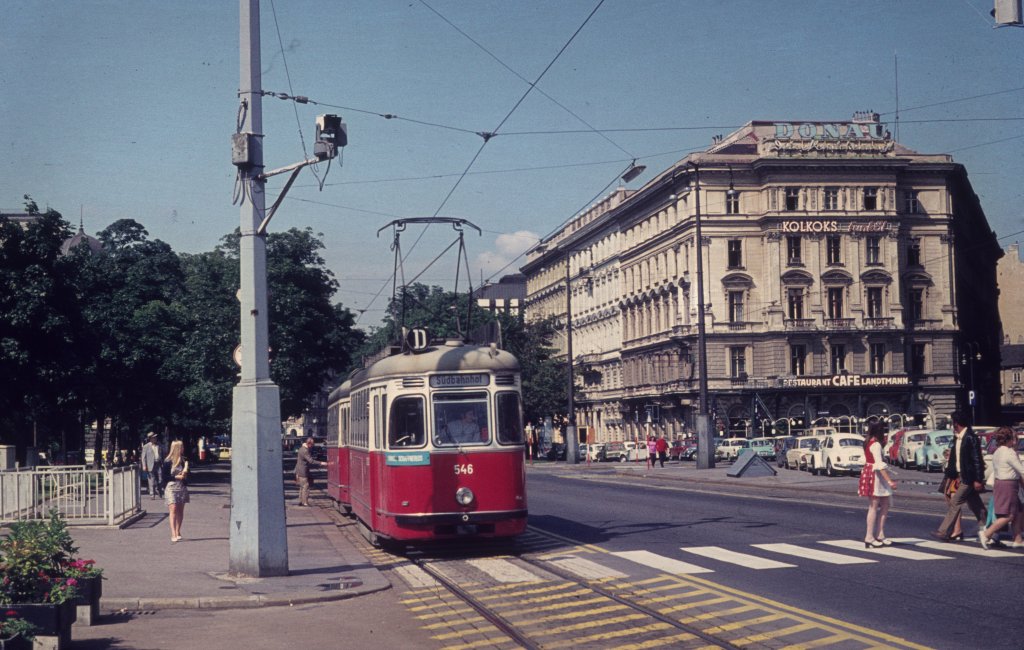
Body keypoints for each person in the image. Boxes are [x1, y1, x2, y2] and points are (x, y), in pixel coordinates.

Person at [932, 411, 988, 542]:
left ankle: (943, 531)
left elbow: (977, 460)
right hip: (960, 476)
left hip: (968, 477)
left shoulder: (970, 438)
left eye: (953, 422)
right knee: (976, 506)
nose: (952, 425)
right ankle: (991, 528)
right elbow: (955, 459)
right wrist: (952, 475)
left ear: (956, 423)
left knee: (955, 502)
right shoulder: (958, 438)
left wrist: (978, 479)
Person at [979, 427, 1024, 549]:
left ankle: (1018, 539)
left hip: (1000, 484)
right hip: (1008, 485)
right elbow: (1021, 471)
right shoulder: (1009, 453)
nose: (1015, 440)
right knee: (1008, 515)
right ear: (1009, 439)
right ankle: (986, 534)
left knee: (1018, 511)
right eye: (1013, 437)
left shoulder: (997, 451)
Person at [858, 421, 897, 547]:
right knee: (874, 506)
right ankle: (869, 536)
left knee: (884, 504)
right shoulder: (876, 444)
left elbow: (865, 460)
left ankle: (880, 534)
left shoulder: (868, 442)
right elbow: (879, 465)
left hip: (871, 473)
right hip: (875, 476)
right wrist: (890, 481)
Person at [163, 440, 189, 542]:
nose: (183, 448)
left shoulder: (184, 460)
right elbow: (164, 477)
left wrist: (185, 473)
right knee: (173, 508)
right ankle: (173, 533)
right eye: (182, 447)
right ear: (177, 448)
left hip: (181, 487)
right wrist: (176, 477)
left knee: (180, 510)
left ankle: (178, 531)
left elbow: (187, 474)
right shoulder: (167, 461)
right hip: (171, 487)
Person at [294, 437, 325, 507]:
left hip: (300, 470)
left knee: (302, 486)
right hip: (303, 471)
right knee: (306, 486)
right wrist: (321, 463)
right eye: (312, 444)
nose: (312, 446)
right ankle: (305, 502)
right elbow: (311, 461)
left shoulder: (301, 448)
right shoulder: (305, 451)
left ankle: (301, 501)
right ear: (309, 444)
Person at [140, 432, 163, 500]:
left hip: (158, 464)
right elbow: (143, 457)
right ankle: (152, 494)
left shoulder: (159, 445)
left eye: (155, 437)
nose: (155, 438)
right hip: (150, 465)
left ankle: (158, 490)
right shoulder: (146, 446)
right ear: (150, 439)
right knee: (151, 480)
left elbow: (162, 454)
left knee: (160, 479)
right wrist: (144, 466)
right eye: (154, 437)